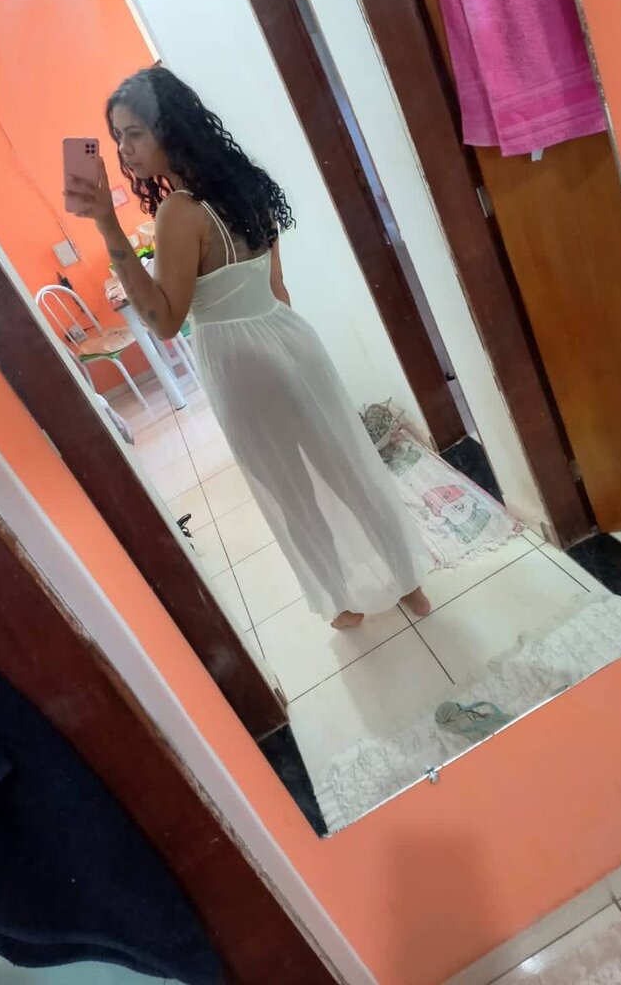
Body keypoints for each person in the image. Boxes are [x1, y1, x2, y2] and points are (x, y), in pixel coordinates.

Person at [66, 66, 431, 629]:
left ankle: (342, 603)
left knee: (289, 489)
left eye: (134, 133)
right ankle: (410, 583)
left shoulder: (178, 212)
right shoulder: (247, 185)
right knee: (348, 464)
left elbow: (164, 321)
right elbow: (277, 286)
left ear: (169, 129)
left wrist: (108, 229)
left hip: (238, 362)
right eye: (117, 137)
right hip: (291, 338)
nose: (123, 149)